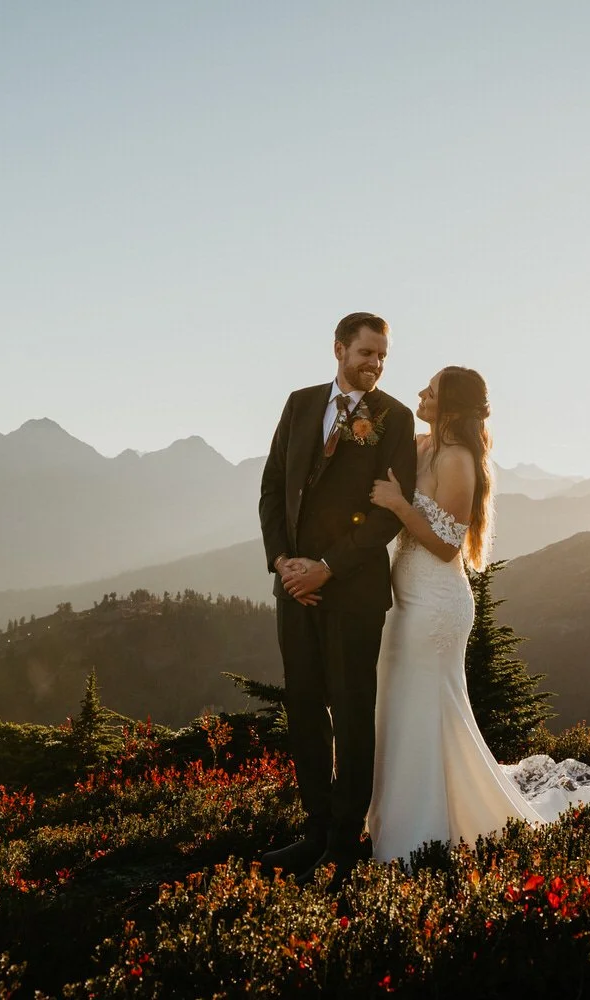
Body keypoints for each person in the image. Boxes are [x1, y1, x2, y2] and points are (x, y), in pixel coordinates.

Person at [364, 366, 590, 867]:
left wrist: (401, 507)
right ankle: (402, 818)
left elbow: (448, 546)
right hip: (405, 602)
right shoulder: (423, 445)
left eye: (432, 390)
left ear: (451, 404)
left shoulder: (457, 460)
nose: (421, 394)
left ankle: (417, 836)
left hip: (436, 606)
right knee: (400, 703)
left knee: (423, 707)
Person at [257, 312, 418, 891]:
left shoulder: (393, 419)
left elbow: (386, 516)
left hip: (352, 590)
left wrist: (327, 567)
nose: (374, 364)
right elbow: (273, 486)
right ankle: (315, 828)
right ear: (339, 349)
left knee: (351, 713)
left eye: (382, 356)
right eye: (366, 353)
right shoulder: (299, 405)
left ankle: (345, 844)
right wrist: (284, 564)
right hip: (294, 590)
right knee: (303, 706)